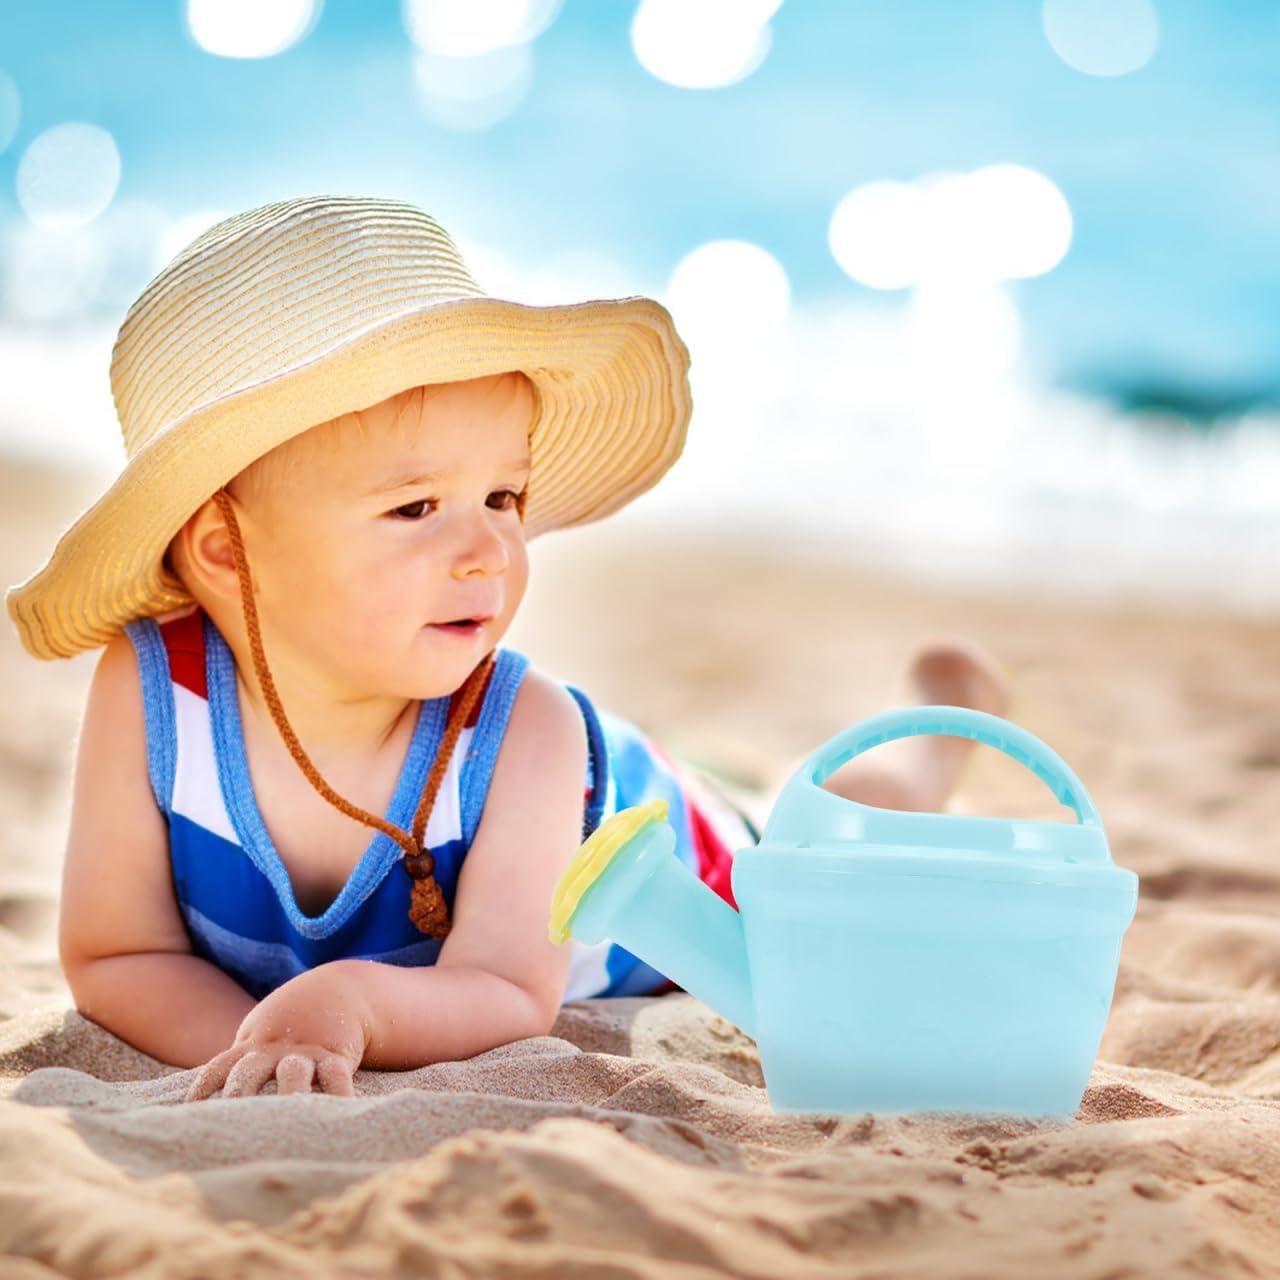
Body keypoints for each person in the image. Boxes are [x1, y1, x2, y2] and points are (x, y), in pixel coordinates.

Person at [4, 195, 1009, 1101]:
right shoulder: (154, 690)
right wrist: (262, 1045)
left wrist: (344, 1006)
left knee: (824, 831)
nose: (491, 549)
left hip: (665, 846)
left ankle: (939, 732)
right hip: (558, 800)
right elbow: (118, 953)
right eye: (415, 507)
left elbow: (505, 988)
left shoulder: (524, 727)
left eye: (502, 496)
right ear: (225, 549)